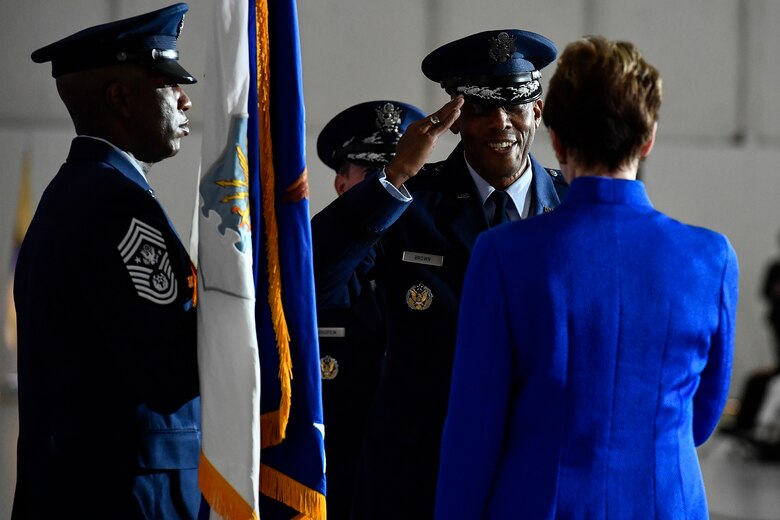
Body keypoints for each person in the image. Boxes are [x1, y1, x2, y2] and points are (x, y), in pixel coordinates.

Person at [434, 36, 738, 519]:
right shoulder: (711, 258)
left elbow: (476, 430)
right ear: (649, 137)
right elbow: (699, 421)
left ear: (555, 138)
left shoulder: (503, 254)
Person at [311, 30, 566, 518]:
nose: (501, 123)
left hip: (536, 468)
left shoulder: (572, 205)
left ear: (537, 110)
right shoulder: (407, 203)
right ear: (454, 120)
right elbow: (316, 284)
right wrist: (393, 178)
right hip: (423, 473)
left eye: (515, 104)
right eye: (481, 108)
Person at [13, 4, 201, 518]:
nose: (185, 99)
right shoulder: (117, 207)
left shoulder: (79, 195)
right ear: (120, 98)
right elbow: (172, 369)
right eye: (168, 85)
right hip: (129, 497)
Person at [315, 100, 425, 519]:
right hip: (334, 486)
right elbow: (318, 277)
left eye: (400, 171)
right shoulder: (319, 253)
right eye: (372, 173)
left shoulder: (440, 256)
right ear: (342, 185)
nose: (389, 183)